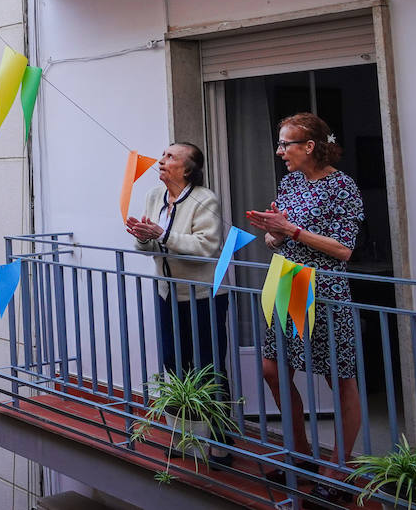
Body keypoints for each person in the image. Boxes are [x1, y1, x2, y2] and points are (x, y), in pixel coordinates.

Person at [247, 112, 365, 498]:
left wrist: (293, 230)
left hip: (326, 288)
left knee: (339, 378)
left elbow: (343, 249)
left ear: (310, 146)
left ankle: (342, 469)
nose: (280, 151)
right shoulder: (291, 183)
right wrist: (274, 232)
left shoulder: (341, 186)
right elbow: (276, 240)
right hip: (289, 281)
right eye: (280, 144)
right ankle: (300, 455)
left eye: (286, 144)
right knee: (272, 369)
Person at [125, 142, 233, 464]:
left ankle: (220, 441)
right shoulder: (153, 197)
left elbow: (206, 247)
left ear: (187, 169)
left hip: (202, 296)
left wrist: (161, 233)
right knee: (175, 367)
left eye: (170, 157)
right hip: (167, 293)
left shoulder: (205, 199)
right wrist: (143, 236)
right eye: (163, 155)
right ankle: (185, 437)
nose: (161, 160)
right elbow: (146, 247)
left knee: (208, 367)